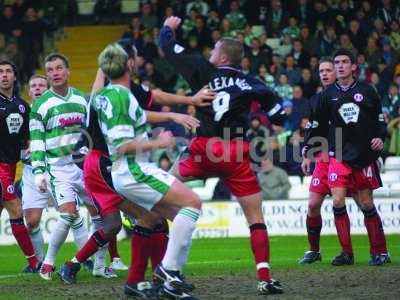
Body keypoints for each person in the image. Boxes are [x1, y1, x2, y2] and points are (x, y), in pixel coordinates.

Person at [61, 43, 203, 299]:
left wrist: (173, 115)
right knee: (189, 205)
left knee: (150, 218)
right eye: (135, 56)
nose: (138, 59)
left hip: (116, 167)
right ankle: (167, 274)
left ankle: (140, 281)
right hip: (124, 167)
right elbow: (122, 145)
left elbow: (143, 110)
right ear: (128, 63)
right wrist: (159, 142)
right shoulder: (119, 95)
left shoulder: (109, 95)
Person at [159, 16, 286, 295]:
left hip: (206, 147)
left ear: (223, 55)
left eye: (214, 50)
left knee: (161, 186)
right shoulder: (252, 82)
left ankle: (162, 263)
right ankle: (264, 277)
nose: (210, 53)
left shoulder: (203, 70)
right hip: (236, 152)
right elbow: (280, 116)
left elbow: (167, 48)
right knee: (255, 216)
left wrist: (168, 28)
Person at [302, 49, 390, 266]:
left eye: (343, 62)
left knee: (366, 203)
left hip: (363, 155)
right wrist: (307, 148)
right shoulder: (326, 96)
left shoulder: (367, 91)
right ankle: (346, 253)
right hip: (338, 155)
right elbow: (316, 124)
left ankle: (380, 252)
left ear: (353, 67)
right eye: (337, 63)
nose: (340, 66)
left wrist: (380, 137)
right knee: (338, 200)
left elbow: (380, 120)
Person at [30, 53, 112, 280]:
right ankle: (47, 263)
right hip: (58, 170)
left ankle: (99, 265)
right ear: (47, 75)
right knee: (68, 214)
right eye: (50, 70)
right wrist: (38, 172)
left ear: (68, 71)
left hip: (85, 168)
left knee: (102, 216)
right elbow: (36, 141)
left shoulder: (82, 99)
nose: (55, 73)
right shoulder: (40, 105)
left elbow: (93, 131)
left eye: (59, 68)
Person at [0, 60, 40, 272]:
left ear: (15, 77)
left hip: (11, 165)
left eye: (8, 71)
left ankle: (33, 262)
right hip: (0, 167)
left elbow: (27, 138)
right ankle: (34, 263)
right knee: (16, 209)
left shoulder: (22, 106)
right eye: (0, 72)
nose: (4, 75)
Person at [21, 74, 50, 263]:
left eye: (41, 85)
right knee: (31, 222)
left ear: (48, 89)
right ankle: (38, 263)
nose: (37, 88)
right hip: (31, 171)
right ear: (29, 91)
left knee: (72, 215)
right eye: (34, 86)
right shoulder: (20, 114)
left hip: (56, 169)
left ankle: (86, 260)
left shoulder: (54, 110)